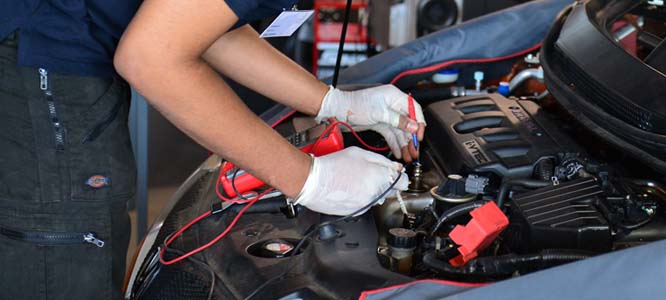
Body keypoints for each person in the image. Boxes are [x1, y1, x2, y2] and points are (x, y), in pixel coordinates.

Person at [0, 0, 425, 299]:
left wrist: (334, 103)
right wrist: (311, 180)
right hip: (38, 52)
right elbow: (149, 57)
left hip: (56, 41)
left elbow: (204, 28)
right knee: (67, 257)